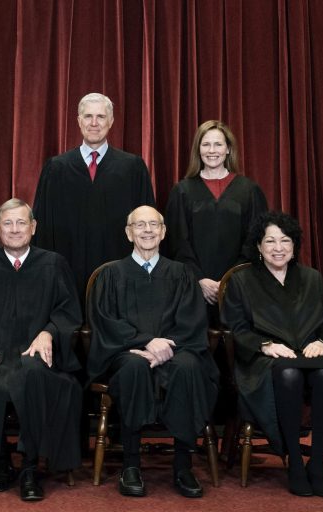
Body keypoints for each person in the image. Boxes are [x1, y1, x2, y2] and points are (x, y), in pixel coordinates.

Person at [0, 198, 83, 502]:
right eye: (7, 223)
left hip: (35, 355)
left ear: (33, 227)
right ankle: (0, 462)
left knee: (34, 376)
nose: (15, 229)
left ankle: (31, 468)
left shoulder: (53, 264)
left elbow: (68, 312)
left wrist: (49, 333)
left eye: (21, 222)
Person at [220, 211, 323, 497]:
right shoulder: (243, 281)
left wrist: (322, 341)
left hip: (311, 353)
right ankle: (295, 462)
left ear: (294, 246)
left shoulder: (312, 278)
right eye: (270, 241)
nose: (278, 247)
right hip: (263, 360)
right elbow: (236, 329)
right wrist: (265, 346)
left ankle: (317, 462)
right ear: (258, 246)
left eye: (285, 240)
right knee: (289, 374)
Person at [87, 206, 219, 499]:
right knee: (134, 367)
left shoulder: (181, 273)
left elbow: (192, 320)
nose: (147, 230)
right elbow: (105, 321)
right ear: (128, 232)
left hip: (177, 349)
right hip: (127, 350)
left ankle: (183, 466)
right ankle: (131, 465)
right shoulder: (111, 275)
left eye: (153, 225)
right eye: (140, 225)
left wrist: (166, 345)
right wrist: (147, 342)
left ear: (163, 232)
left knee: (188, 368)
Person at [33, 92, 155, 298]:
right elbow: (41, 226)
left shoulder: (132, 167)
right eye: (88, 116)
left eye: (101, 117)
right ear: (79, 121)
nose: (94, 123)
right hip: (67, 270)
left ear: (111, 121)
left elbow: (147, 224)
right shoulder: (56, 168)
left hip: (120, 273)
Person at [164, 120, 267, 325]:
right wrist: (199, 280)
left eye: (218, 144)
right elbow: (177, 242)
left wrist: (229, 280)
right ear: (198, 149)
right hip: (192, 289)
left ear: (228, 149)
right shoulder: (182, 191)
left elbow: (256, 242)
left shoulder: (249, 190)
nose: (212, 150)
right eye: (206, 144)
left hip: (238, 287)